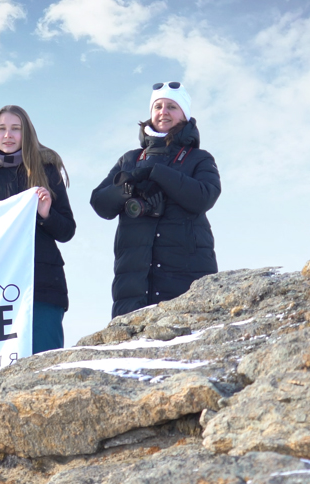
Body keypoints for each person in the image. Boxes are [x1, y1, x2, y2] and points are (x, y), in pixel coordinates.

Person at [89, 82, 221, 318]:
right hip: (133, 286)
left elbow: (204, 196)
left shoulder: (199, 159)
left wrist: (156, 172)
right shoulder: (129, 159)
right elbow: (100, 203)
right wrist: (126, 187)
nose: (164, 112)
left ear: (184, 114)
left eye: (172, 106)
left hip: (186, 282)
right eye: (158, 106)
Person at [0, 105, 77, 354]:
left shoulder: (46, 169)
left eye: (16, 129)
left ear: (27, 133)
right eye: (1, 129)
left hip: (44, 284)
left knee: (46, 364)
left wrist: (46, 214)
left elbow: (67, 230)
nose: (7, 136)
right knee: (2, 369)